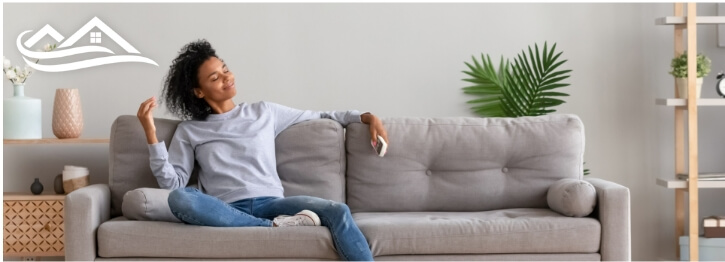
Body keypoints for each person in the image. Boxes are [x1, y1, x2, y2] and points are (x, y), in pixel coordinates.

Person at [136, 39, 387, 261]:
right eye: (215, 78)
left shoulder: (264, 112)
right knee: (180, 199)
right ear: (199, 92)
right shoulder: (190, 130)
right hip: (226, 209)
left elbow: (322, 115)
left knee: (339, 210)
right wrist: (150, 133)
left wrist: (366, 117)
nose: (227, 77)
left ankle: (272, 223)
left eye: (225, 69)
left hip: (274, 203)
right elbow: (173, 184)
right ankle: (274, 227)